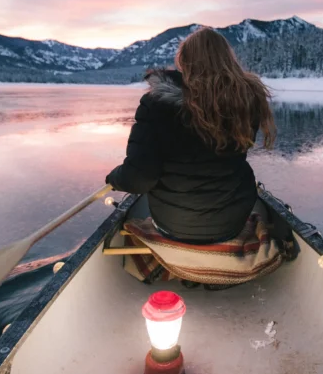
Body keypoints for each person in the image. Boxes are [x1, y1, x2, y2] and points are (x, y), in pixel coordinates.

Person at [105, 27, 276, 244]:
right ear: (227, 59)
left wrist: (114, 178)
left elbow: (138, 179)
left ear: (183, 63)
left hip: (174, 225)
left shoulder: (157, 104)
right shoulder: (244, 102)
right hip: (232, 222)